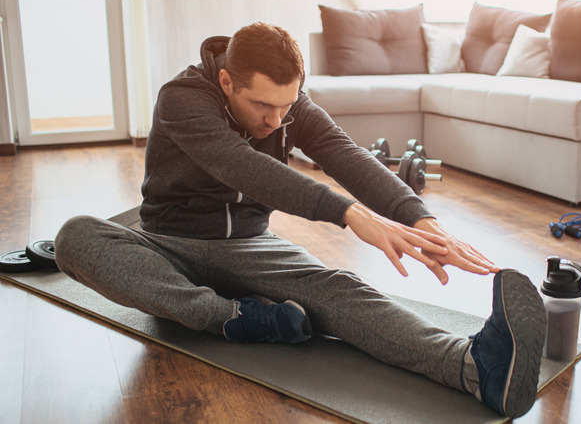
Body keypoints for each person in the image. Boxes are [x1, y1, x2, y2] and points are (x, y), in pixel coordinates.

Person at [54, 22, 546, 418]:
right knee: (75, 236)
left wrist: (416, 216)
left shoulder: (288, 105)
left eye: (286, 106)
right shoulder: (182, 99)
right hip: (167, 242)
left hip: (250, 247)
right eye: (261, 106)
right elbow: (245, 166)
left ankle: (472, 368)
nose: (275, 121)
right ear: (227, 81)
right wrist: (349, 214)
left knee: (341, 288)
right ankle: (233, 318)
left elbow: (343, 152)